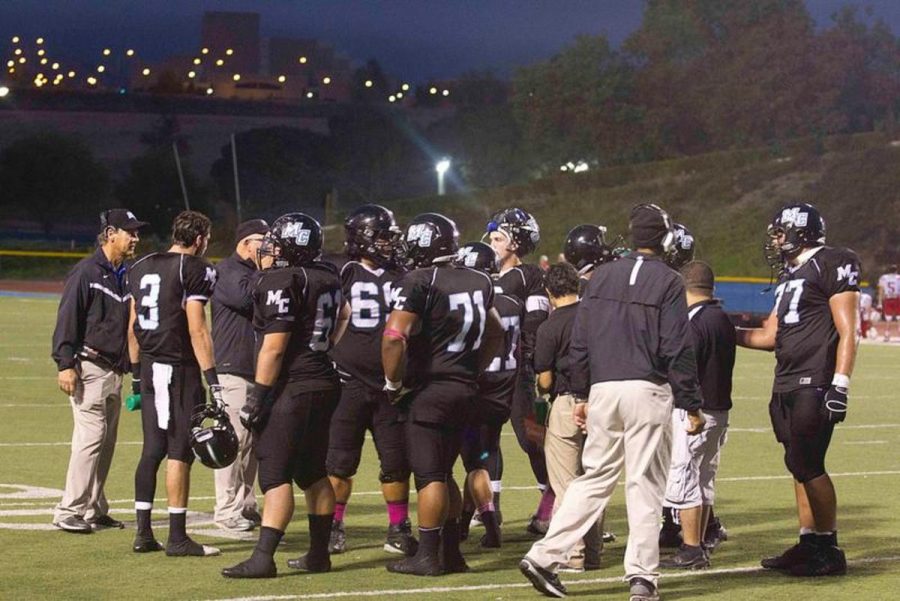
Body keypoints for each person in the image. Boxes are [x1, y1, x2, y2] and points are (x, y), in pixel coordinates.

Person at [520, 203, 704, 601]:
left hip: (603, 391)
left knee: (593, 480)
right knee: (645, 485)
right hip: (647, 391)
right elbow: (676, 346)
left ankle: (544, 556)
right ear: (666, 238)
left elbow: (581, 343)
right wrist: (691, 403)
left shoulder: (601, 276)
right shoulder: (671, 280)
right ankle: (641, 577)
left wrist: (582, 394)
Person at [222, 213, 350, 578]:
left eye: (278, 242)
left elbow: (274, 348)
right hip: (324, 381)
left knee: (275, 475)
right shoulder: (327, 274)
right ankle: (318, 554)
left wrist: (258, 397)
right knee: (312, 472)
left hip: (293, 386)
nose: (271, 248)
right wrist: (320, 349)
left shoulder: (283, 279)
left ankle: (263, 558)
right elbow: (344, 313)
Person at [737, 202, 860, 577]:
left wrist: (840, 384)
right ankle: (809, 542)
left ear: (799, 231)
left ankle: (828, 547)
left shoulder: (831, 262)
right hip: (786, 379)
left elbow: (848, 330)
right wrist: (721, 331)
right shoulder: (792, 276)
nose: (775, 240)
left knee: (808, 463)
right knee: (796, 464)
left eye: (779, 232)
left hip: (814, 379)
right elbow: (769, 336)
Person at [382, 213, 504, 576]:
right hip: (465, 389)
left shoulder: (420, 279)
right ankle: (452, 552)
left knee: (430, 476)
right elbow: (496, 333)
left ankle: (428, 556)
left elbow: (393, 337)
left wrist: (393, 382)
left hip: (431, 390)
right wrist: (473, 368)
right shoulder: (479, 279)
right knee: (447, 472)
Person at [128, 210, 222, 556]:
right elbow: (197, 327)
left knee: (152, 449)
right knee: (180, 452)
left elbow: (133, 326)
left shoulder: (141, 265)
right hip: (179, 369)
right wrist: (213, 379)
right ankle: (178, 538)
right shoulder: (195, 268)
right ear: (199, 239)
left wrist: (136, 376)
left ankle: (142, 533)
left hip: (150, 366)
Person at [325, 204, 417, 556]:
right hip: (347, 381)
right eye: (382, 236)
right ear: (362, 238)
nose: (389, 243)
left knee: (396, 462)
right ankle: (333, 524)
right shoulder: (341, 271)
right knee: (339, 462)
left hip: (391, 386)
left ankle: (397, 527)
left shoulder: (402, 274)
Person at [51, 209, 147, 533]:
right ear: (110, 234)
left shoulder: (127, 273)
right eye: (130, 232)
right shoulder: (86, 272)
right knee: (90, 439)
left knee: (106, 443)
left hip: (113, 371)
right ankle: (68, 509)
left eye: (136, 232)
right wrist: (65, 364)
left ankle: (93, 508)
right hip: (89, 367)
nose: (135, 238)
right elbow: (68, 319)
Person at [660, 261, 736, 570]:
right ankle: (701, 541)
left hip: (696, 411)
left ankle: (691, 546)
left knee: (685, 476)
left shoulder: (694, 322)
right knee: (704, 478)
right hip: (719, 409)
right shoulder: (721, 317)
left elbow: (685, 368)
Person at [485, 207, 553, 534]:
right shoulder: (483, 274)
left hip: (517, 372)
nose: (491, 243)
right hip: (485, 373)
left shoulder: (529, 276)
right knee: (484, 438)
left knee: (533, 439)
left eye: (498, 238)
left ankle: (551, 506)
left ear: (514, 244)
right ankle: (489, 508)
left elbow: (537, 323)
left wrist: (527, 361)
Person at [534, 262, 602, 573]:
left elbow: (545, 379)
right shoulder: (596, 318)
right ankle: (593, 552)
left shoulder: (550, 326)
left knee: (566, 485)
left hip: (566, 404)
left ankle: (573, 554)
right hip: (600, 403)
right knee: (594, 480)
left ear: (549, 291)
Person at [455, 241, 523, 549]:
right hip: (505, 388)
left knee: (474, 463)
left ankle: (491, 524)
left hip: (477, 388)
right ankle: (465, 521)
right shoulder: (513, 303)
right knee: (485, 453)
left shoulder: (471, 302)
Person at [209, 218, 268, 531]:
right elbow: (249, 300)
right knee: (234, 442)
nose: (268, 247)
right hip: (234, 367)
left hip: (257, 371)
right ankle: (226, 509)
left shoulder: (253, 272)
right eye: (262, 241)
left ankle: (245, 504)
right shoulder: (228, 271)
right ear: (246, 243)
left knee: (253, 444)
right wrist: (269, 273)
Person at [876, 264, 899, 342]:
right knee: (899, 318)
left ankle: (887, 334)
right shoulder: (898, 278)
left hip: (887, 298)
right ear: (896, 271)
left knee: (888, 319)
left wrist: (879, 302)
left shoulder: (884, 278)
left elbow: (881, 291)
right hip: (897, 298)